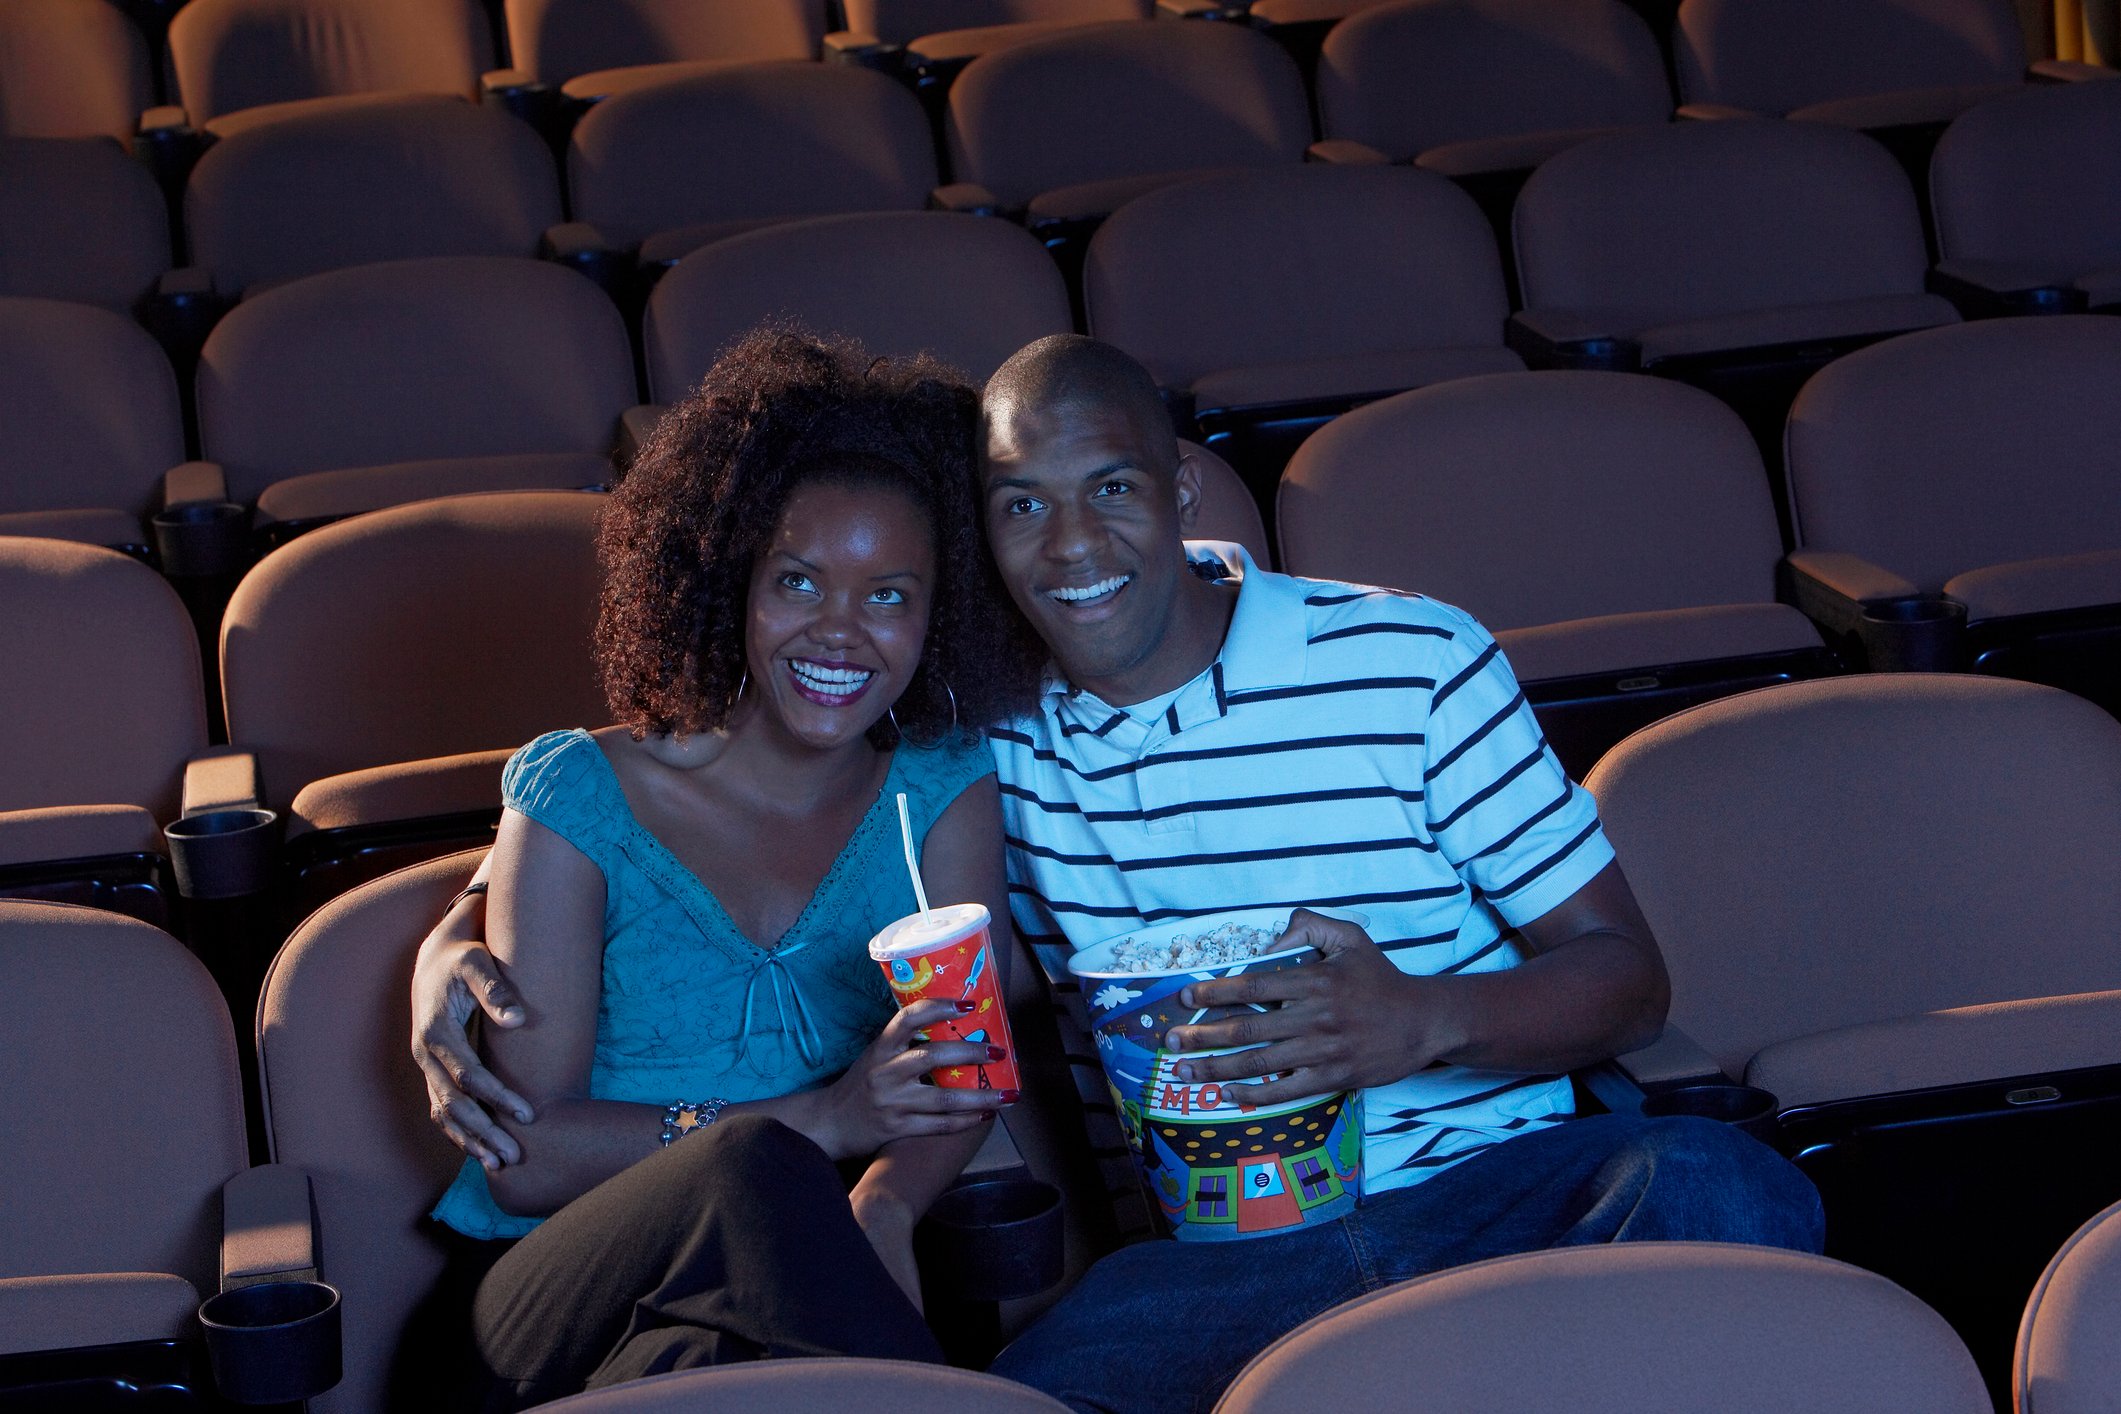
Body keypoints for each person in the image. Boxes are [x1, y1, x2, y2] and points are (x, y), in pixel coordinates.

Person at [415, 335, 1823, 1414]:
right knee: (989, 1368)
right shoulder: (992, 743)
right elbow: (637, 840)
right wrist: (451, 931)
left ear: (1181, 483)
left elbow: (1631, 979)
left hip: (1500, 1188)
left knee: (1718, 1181)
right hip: (1217, 1268)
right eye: (1020, 505)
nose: (1072, 545)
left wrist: (1419, 1020)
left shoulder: (1392, 664)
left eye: (1109, 491)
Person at [407, 329, 1044, 1410]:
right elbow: (522, 1152)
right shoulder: (582, 802)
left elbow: (962, 1067)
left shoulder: (940, 787)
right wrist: (825, 1122)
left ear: (941, 612)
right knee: (752, 1166)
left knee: (716, 1374)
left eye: (891, 594)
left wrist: (882, 1202)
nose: (841, 631)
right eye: (798, 580)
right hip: (546, 1306)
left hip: (762, 1323)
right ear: (729, 580)